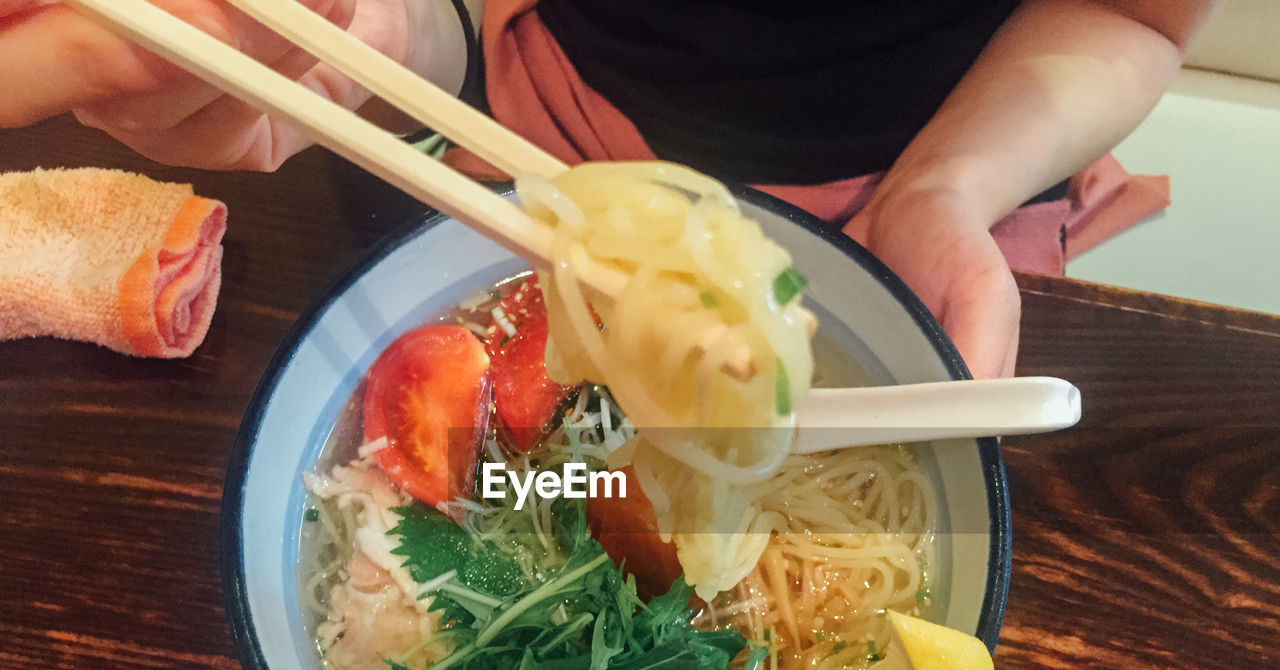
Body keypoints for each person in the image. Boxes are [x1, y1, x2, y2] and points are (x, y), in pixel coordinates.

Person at [0, 0, 1219, 377]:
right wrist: (368, 37)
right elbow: (438, 24)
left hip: (961, 177)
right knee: (546, 485)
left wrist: (941, 191)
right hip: (542, 136)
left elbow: (1131, 12)